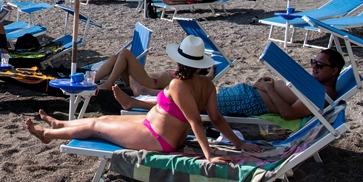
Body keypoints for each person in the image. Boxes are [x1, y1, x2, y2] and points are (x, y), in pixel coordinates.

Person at [26, 36, 264, 161]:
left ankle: (47, 135)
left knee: (96, 125)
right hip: (154, 127)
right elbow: (217, 119)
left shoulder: (180, 85)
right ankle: (60, 125)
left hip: (158, 138)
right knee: (106, 118)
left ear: (181, 61)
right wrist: (240, 143)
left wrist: (209, 155)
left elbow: (196, 123)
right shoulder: (206, 84)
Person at [114, 48, 345, 120]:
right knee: (197, 94)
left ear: (334, 72)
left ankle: (138, 102)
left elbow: (288, 114)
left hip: (249, 100)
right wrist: (266, 85)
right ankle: (146, 94)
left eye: (320, 65)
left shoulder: (321, 95)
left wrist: (269, 88)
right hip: (249, 94)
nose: (314, 67)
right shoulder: (316, 85)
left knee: (194, 102)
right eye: (313, 62)